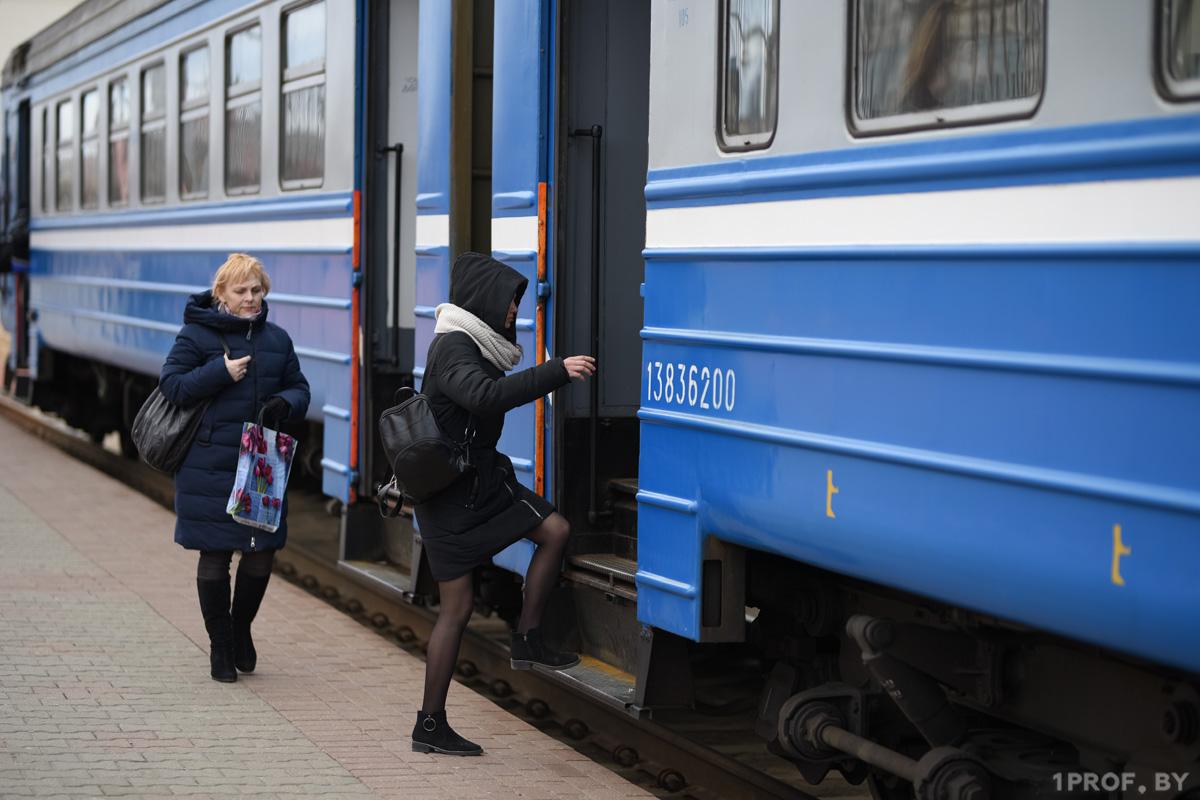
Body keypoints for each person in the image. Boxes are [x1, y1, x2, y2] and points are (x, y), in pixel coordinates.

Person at [411, 252, 596, 756]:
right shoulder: (453, 347)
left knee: (554, 530)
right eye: (509, 302)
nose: (515, 312)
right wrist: (556, 371)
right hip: (448, 494)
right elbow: (487, 398)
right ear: (482, 301)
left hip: (481, 481)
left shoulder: (480, 344)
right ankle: (429, 724)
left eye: (517, 303)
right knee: (458, 608)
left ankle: (528, 637)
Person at [158, 253, 310, 683]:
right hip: (209, 463)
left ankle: (240, 629)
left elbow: (300, 387)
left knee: (262, 554)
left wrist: (288, 403)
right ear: (221, 294)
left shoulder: (278, 339)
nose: (250, 298)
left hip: (261, 462)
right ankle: (220, 648)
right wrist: (218, 372)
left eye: (256, 290)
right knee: (216, 554)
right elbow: (172, 386)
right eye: (241, 291)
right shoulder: (195, 335)